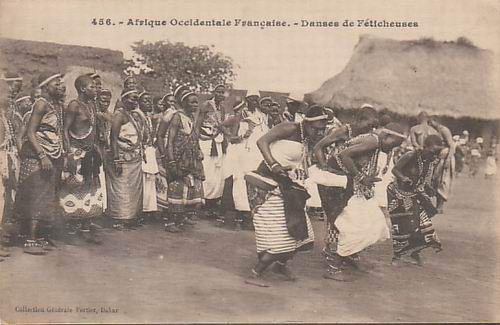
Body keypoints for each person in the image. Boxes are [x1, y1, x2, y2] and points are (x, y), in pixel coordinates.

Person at [244, 105, 329, 287]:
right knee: (280, 239)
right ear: (306, 123)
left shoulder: (307, 139)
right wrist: (273, 164)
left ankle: (280, 266)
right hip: (266, 184)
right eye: (316, 129)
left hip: (285, 186)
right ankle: (254, 273)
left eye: (322, 130)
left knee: (303, 236)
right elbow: (262, 142)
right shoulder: (290, 127)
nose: (319, 133)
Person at [315, 122, 406, 281]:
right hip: (337, 184)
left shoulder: (376, 142)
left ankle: (347, 255)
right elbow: (343, 155)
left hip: (348, 184)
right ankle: (333, 267)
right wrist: (361, 177)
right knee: (351, 226)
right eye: (394, 144)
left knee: (374, 223)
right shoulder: (373, 141)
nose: (392, 149)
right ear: (387, 136)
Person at [14, 71, 66, 255]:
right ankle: (30, 239)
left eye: (61, 83)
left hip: (52, 154)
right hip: (37, 155)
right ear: (45, 87)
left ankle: (40, 236)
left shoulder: (56, 105)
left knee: (47, 196)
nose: (61, 86)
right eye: (57, 83)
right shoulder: (41, 104)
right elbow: (30, 133)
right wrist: (42, 156)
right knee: (35, 195)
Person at [60, 74, 103, 243]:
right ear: (83, 89)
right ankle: (71, 231)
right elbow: (65, 130)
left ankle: (85, 226)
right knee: (73, 188)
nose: (96, 89)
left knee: (90, 188)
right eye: (93, 87)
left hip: (90, 154)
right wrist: (68, 153)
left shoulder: (91, 105)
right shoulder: (74, 105)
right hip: (76, 153)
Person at [388, 135, 444, 266]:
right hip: (398, 193)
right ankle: (397, 257)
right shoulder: (411, 155)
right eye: (432, 151)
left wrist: (429, 188)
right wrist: (403, 178)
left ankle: (414, 253)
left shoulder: (430, 162)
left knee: (423, 226)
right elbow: (395, 169)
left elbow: (423, 180)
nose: (434, 155)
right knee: (403, 226)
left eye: (436, 152)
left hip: (415, 194)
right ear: (425, 147)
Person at [162, 90, 206, 232]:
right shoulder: (176, 117)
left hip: (191, 159)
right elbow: (170, 140)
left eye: (196, 102)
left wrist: (198, 151)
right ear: (184, 103)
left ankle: (182, 219)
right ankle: (171, 222)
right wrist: (171, 161)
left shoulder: (191, 118)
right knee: (177, 187)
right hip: (179, 158)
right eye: (192, 102)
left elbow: (194, 137)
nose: (195, 105)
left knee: (190, 188)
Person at [105, 89, 144, 229]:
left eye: (137, 100)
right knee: (120, 187)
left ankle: (130, 217)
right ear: (124, 99)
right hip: (121, 156)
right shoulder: (119, 115)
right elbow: (113, 138)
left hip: (133, 157)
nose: (135, 102)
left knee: (133, 189)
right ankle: (118, 219)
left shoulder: (132, 115)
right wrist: (116, 159)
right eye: (133, 99)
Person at [198, 84, 229, 219]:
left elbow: (221, 125)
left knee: (217, 175)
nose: (221, 94)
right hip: (205, 141)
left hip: (218, 141)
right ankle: (201, 203)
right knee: (207, 172)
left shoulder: (222, 108)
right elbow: (198, 124)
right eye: (218, 92)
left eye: (223, 92)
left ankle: (212, 203)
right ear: (214, 92)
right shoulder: (206, 105)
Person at [134, 91, 159, 220]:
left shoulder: (147, 116)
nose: (148, 103)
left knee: (149, 180)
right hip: (142, 150)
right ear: (139, 103)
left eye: (149, 100)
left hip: (149, 150)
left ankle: (148, 209)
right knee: (142, 180)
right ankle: (140, 210)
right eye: (145, 101)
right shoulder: (137, 115)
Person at [155, 92, 177, 216]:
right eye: (170, 101)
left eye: (174, 102)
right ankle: (161, 209)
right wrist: (163, 153)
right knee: (162, 178)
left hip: (172, 148)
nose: (172, 104)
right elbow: (159, 135)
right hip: (163, 147)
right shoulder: (165, 116)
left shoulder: (175, 114)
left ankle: (169, 208)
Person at [428, 116, 455, 213]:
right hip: (438, 158)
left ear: (435, 121)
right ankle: (435, 205)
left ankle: (440, 206)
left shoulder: (444, 130)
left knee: (443, 181)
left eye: (430, 122)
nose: (429, 124)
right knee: (435, 180)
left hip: (445, 158)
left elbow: (452, 146)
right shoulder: (434, 131)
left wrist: (448, 160)